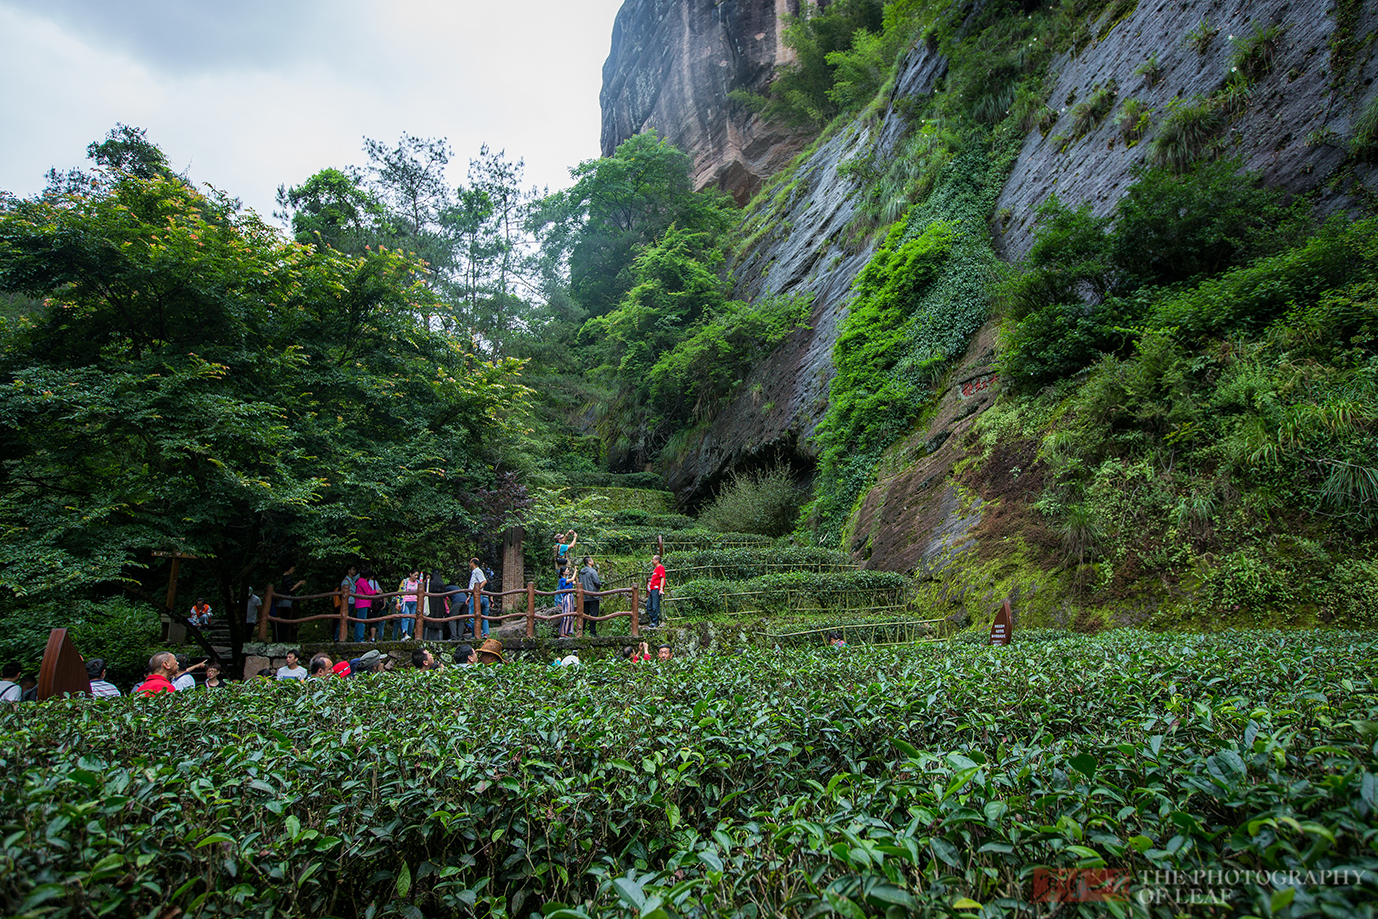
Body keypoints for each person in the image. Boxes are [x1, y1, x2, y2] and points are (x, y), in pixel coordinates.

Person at [273, 564, 307, 641]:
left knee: (284, 619)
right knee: (284, 619)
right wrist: (299, 583)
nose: (293, 570)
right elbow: (291, 588)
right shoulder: (286, 578)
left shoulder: (285, 578)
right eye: (292, 568)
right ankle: (283, 638)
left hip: (286, 600)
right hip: (286, 601)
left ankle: (284, 637)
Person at [465, 558, 490, 640]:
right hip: (476, 595)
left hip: (477, 596)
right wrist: (469, 596)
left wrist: (477, 590)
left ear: (473, 563)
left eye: (470, 562)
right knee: (484, 616)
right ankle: (485, 633)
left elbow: (484, 581)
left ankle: (475, 634)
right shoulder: (475, 572)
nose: (469, 564)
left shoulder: (477, 571)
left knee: (472, 616)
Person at [577, 556, 602, 637]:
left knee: (584, 614)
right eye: (592, 560)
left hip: (584, 596)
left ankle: (581, 630)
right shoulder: (592, 571)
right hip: (593, 595)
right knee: (593, 614)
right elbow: (597, 582)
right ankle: (592, 632)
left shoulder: (581, 572)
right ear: (589, 562)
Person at [353, 568, 378, 642]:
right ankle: (359, 639)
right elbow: (368, 592)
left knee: (360, 621)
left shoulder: (359, 581)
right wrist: (376, 591)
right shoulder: (363, 581)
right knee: (361, 621)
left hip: (361, 604)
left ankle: (358, 638)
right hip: (362, 604)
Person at [424, 570, 450, 641]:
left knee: (430, 618)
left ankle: (427, 637)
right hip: (440, 603)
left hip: (431, 601)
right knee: (438, 619)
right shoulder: (442, 584)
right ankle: (439, 637)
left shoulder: (429, 583)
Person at [396, 569, 421, 640]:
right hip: (405, 601)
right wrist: (398, 602)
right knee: (406, 617)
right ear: (410, 574)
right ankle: (404, 634)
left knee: (412, 620)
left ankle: (409, 636)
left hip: (415, 602)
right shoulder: (405, 582)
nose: (416, 577)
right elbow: (399, 592)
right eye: (414, 575)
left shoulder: (418, 583)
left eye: (417, 575)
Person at [337, 565, 357, 641]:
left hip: (352, 602)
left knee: (348, 620)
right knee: (343, 620)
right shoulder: (346, 581)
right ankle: (338, 637)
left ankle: (345, 636)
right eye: (353, 569)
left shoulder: (352, 580)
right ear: (349, 571)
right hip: (347, 602)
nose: (354, 571)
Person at [646, 554, 666, 629]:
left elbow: (662, 578)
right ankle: (653, 621)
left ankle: (655, 622)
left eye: (653, 559)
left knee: (655, 606)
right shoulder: (655, 569)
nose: (652, 561)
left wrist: (661, 589)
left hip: (656, 589)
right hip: (652, 589)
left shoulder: (661, 568)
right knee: (648, 606)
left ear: (657, 560)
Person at [556, 566, 576, 637]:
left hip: (571, 596)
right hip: (566, 596)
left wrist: (576, 574)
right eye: (567, 570)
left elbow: (575, 582)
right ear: (563, 572)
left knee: (571, 614)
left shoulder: (568, 580)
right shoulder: (562, 580)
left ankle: (568, 631)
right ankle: (563, 631)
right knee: (566, 614)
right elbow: (572, 579)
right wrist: (575, 572)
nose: (568, 571)